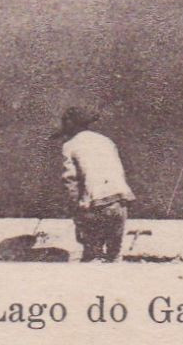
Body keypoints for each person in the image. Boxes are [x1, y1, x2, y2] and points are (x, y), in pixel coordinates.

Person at [54, 107, 135, 262]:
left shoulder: (69, 145)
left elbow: (70, 180)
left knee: (92, 255)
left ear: (71, 124)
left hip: (94, 204)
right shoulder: (106, 141)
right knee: (114, 254)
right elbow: (119, 170)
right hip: (120, 199)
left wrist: (76, 208)